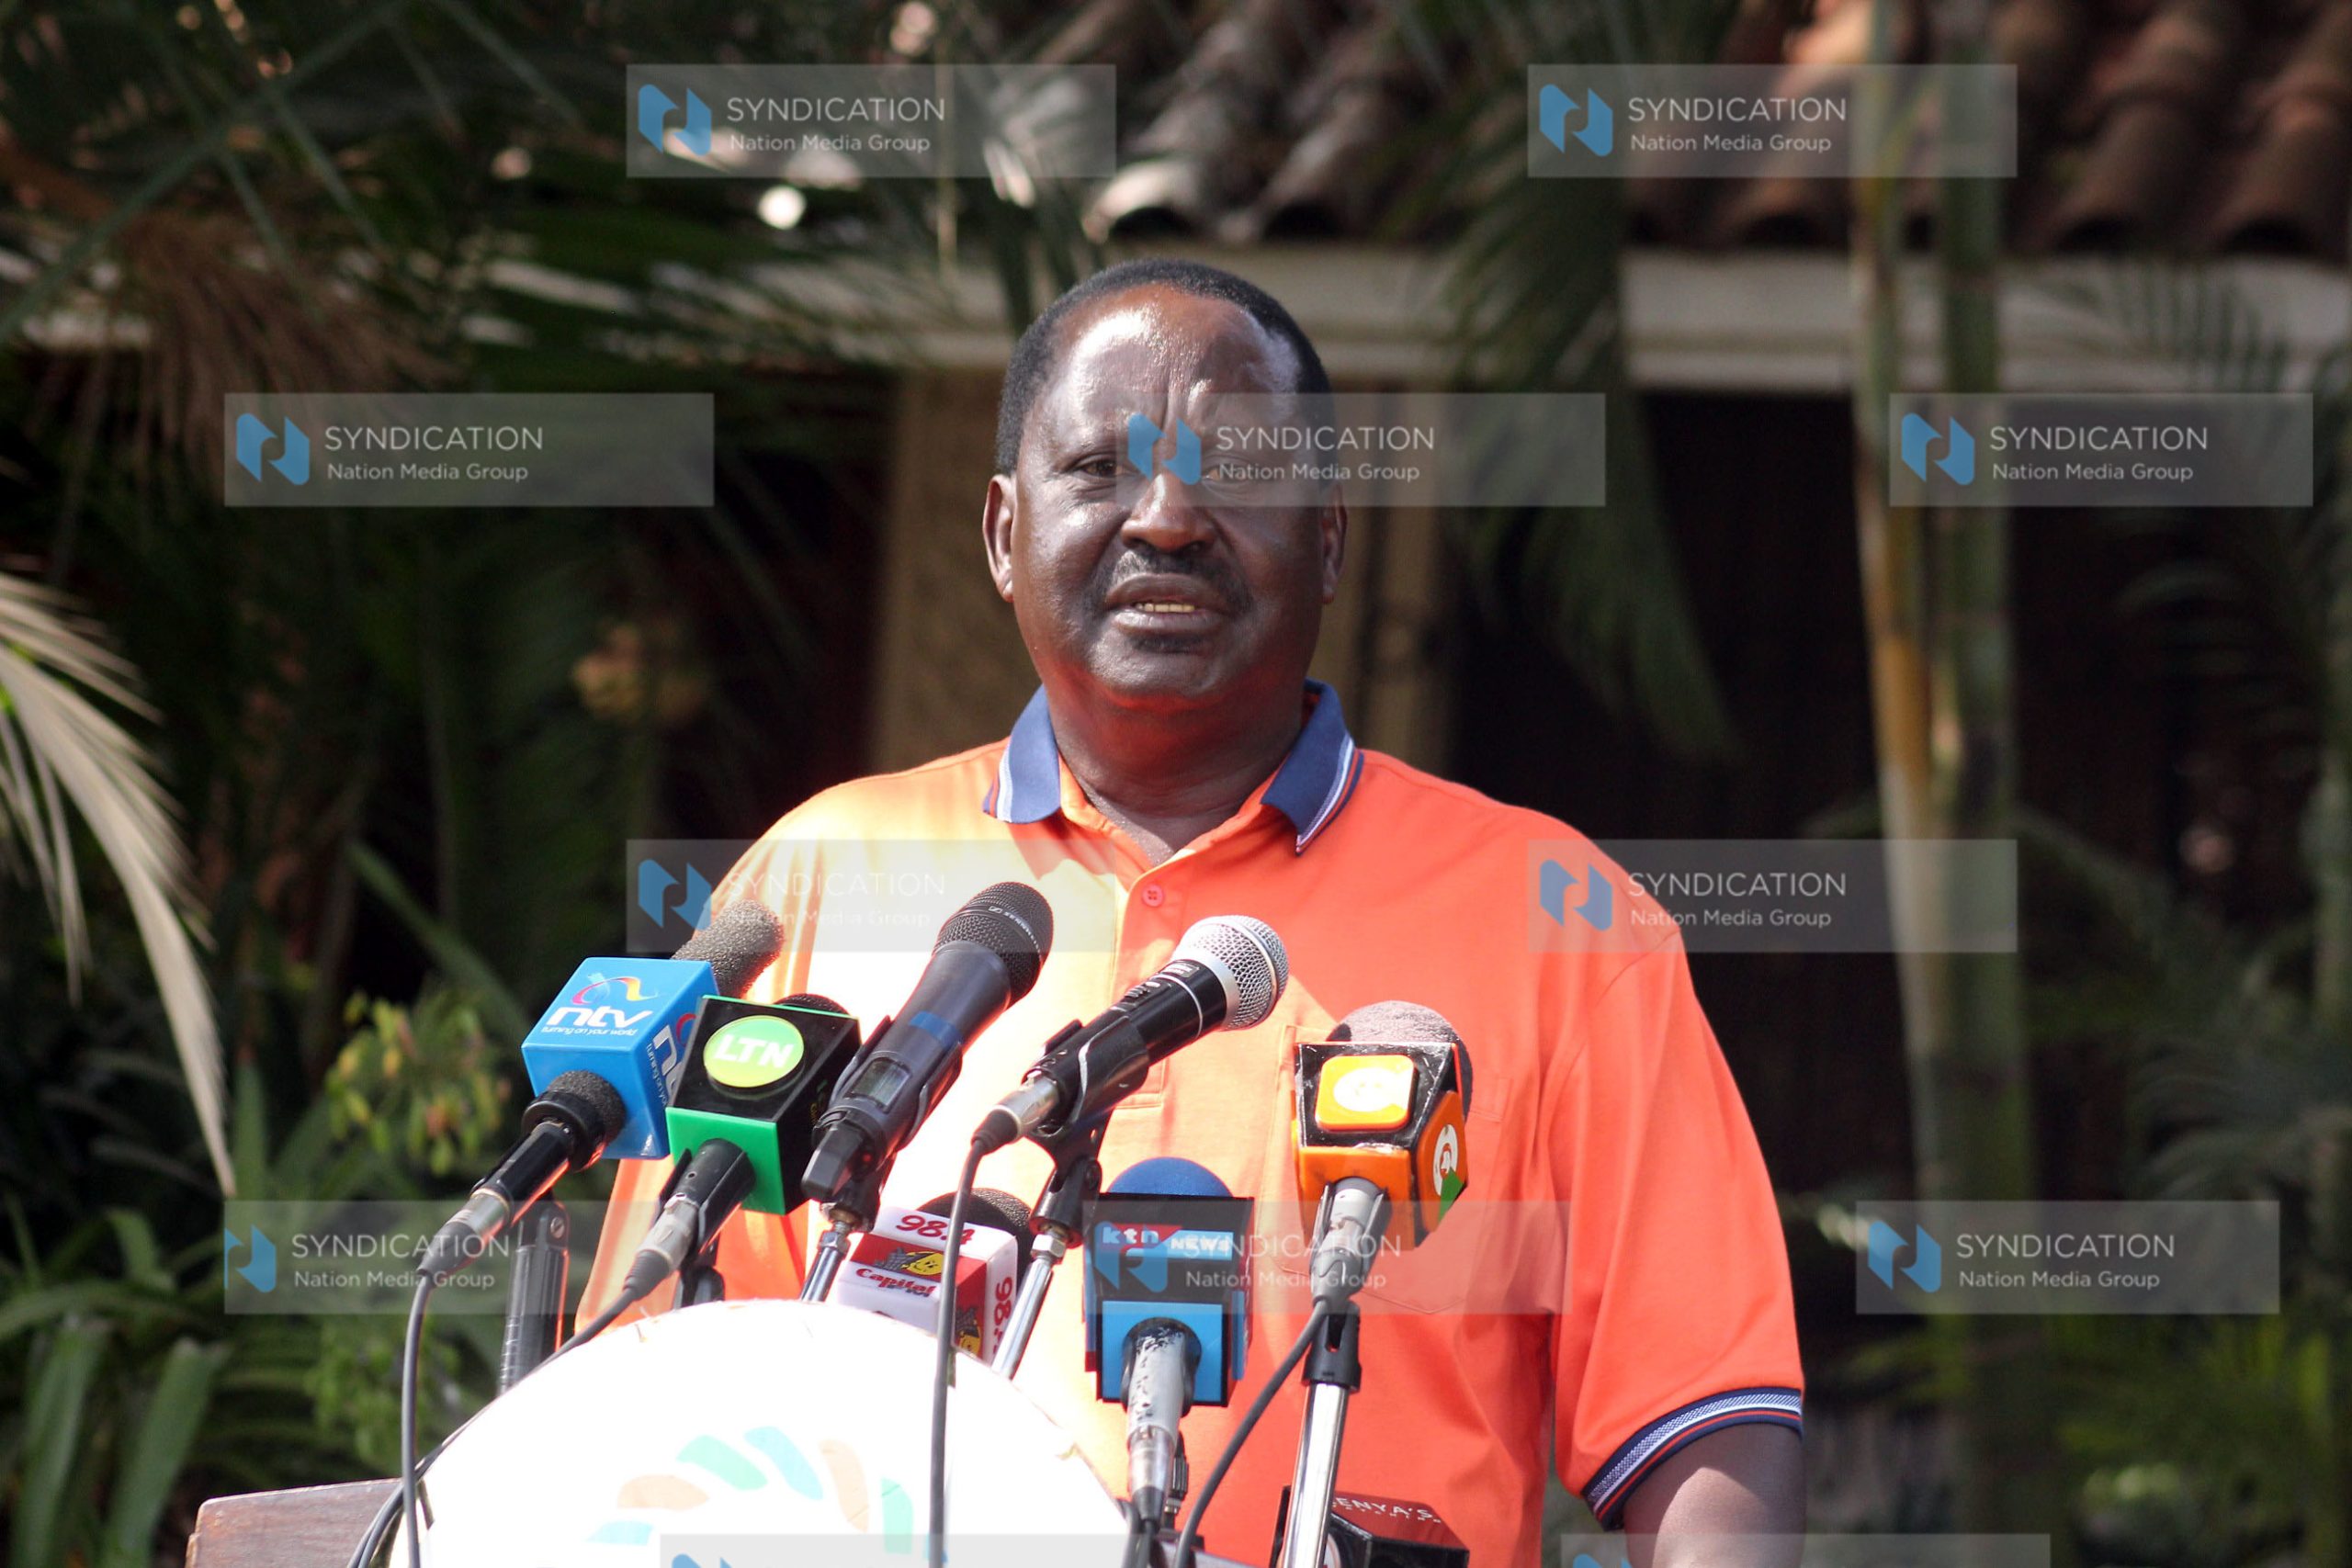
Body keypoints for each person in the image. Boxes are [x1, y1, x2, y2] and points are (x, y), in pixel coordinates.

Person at [581, 258, 1804, 1564]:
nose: (1166, 517)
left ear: (1329, 539)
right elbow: (648, 1392)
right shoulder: (823, 876)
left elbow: (1706, 1429)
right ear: (1003, 534)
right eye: (1101, 469)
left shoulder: (1556, 921)